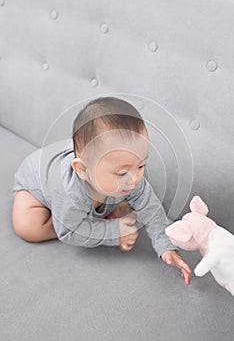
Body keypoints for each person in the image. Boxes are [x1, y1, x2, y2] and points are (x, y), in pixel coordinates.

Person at [12, 97, 191, 284]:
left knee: (130, 198)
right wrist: (112, 231)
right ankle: (77, 218)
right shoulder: (69, 192)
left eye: (141, 165)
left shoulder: (130, 177)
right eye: (122, 173)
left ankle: (90, 214)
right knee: (28, 228)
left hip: (91, 182)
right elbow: (69, 234)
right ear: (82, 170)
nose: (135, 178)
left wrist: (167, 247)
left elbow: (152, 210)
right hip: (36, 186)